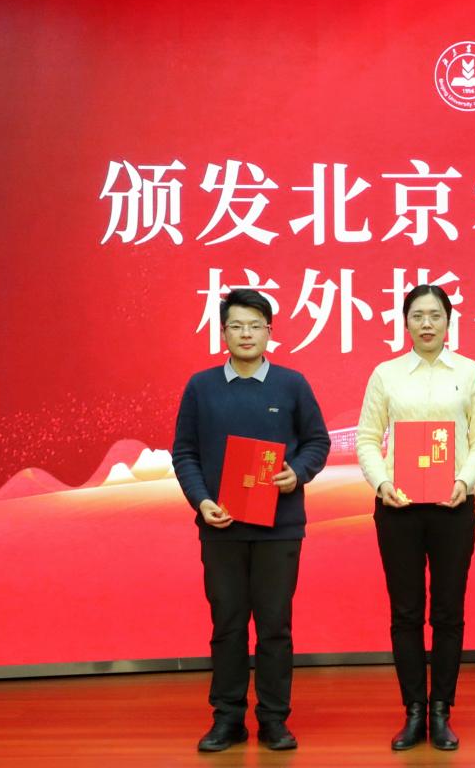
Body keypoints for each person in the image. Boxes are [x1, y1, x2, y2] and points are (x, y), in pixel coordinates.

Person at [171, 288, 332, 753]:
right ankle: (228, 719)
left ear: (269, 332)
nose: (246, 334)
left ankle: (274, 720)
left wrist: (296, 473)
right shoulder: (201, 387)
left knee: (275, 626)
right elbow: (185, 452)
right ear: (223, 332)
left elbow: (317, 442)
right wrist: (201, 501)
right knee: (227, 624)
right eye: (237, 326)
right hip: (221, 527)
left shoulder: (292, 384)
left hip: (279, 528)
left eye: (255, 326)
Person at [355, 284, 475, 751]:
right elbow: (368, 438)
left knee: (448, 611)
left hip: (452, 507)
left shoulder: (470, 372)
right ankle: (414, 710)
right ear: (405, 323)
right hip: (397, 508)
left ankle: (441, 711)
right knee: (406, 612)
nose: (427, 324)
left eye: (435, 315)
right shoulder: (386, 374)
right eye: (417, 315)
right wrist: (381, 483)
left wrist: (465, 479)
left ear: (449, 321)